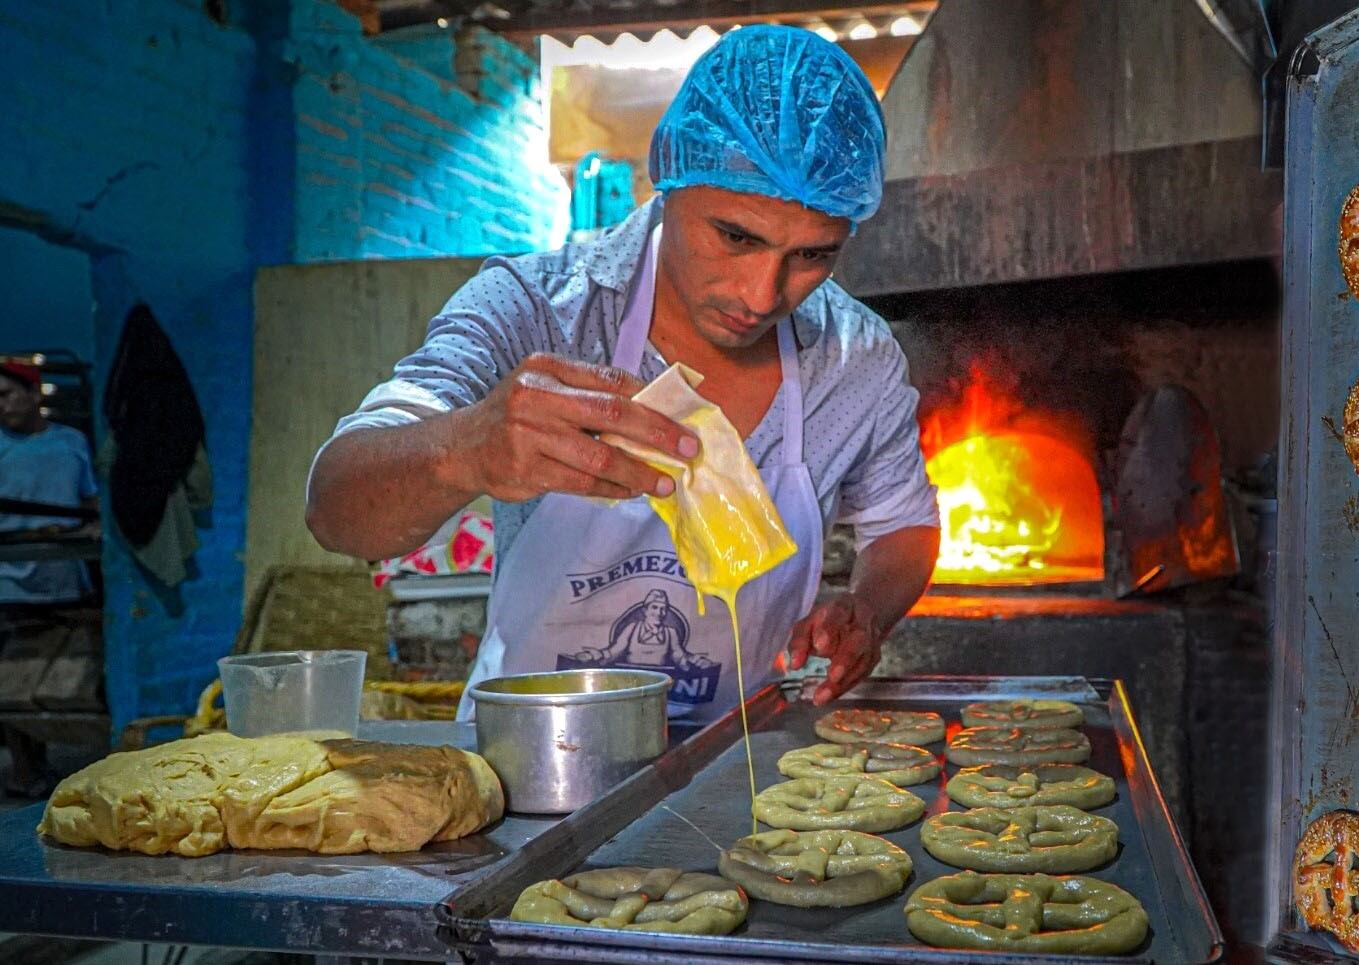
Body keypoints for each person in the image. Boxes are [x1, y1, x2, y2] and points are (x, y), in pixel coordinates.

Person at [307, 26, 939, 722]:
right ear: (670, 178)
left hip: (740, 768)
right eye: (735, 236)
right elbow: (334, 504)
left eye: (813, 256)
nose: (762, 295)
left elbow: (903, 524)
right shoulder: (537, 310)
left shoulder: (855, 357)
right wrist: (465, 449)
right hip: (532, 768)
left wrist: (869, 611)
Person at [0, 359, 98, 796]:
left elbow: (90, 501)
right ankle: (26, 771)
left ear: (35, 395)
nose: (1, 406)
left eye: (6, 394)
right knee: (12, 678)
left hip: (63, 574)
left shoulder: (72, 442)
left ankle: (80, 768)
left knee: (69, 668)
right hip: (9, 578)